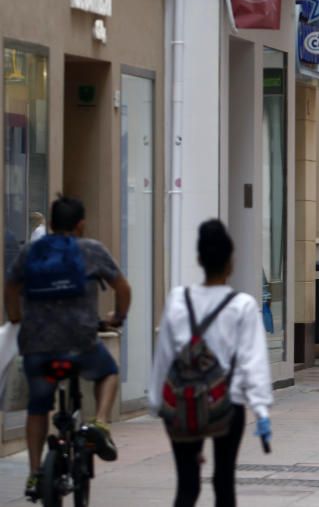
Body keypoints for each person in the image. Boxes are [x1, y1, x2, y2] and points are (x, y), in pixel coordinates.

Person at [3, 196, 132, 500]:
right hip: (81, 345)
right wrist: (117, 317)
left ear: (50, 222)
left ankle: (35, 474)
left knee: (38, 408)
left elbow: (10, 288)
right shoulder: (92, 250)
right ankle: (100, 422)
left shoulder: (31, 252)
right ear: (80, 224)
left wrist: (17, 319)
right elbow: (123, 288)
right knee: (109, 372)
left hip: (38, 346)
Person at [149, 219, 273, 507]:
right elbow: (252, 362)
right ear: (231, 262)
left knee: (187, 485)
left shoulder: (178, 300)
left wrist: (157, 404)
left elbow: (164, 357)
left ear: (199, 259)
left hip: (182, 401)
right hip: (226, 403)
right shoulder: (242, 305)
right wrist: (261, 409)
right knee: (224, 483)